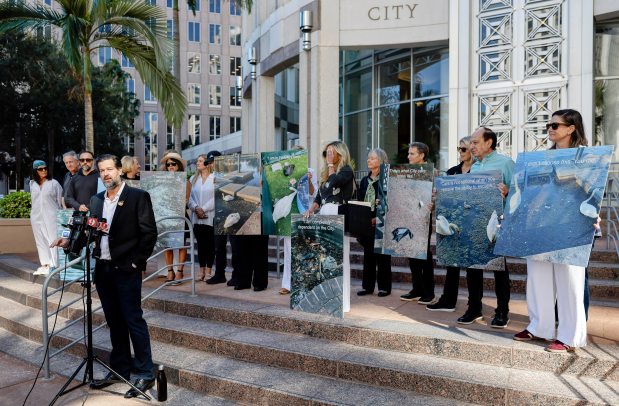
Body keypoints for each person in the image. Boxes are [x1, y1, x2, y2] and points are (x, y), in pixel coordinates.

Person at [51, 154, 158, 398]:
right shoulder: (96, 200)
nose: (106, 174)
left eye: (110, 169)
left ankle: (145, 373)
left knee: (133, 320)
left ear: (120, 170)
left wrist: (136, 262)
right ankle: (120, 367)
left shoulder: (137, 197)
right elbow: (89, 230)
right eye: (102, 171)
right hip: (103, 269)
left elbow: (149, 233)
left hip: (127, 269)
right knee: (114, 321)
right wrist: (68, 240)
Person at [513, 109, 591, 352]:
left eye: (555, 125)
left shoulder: (586, 157)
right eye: (549, 125)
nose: (550, 129)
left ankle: (570, 336)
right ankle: (540, 327)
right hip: (540, 224)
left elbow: (592, 191)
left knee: (570, 280)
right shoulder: (543, 158)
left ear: (571, 128)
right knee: (538, 276)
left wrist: (573, 178)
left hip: (571, 224)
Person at [459, 127, 514, 328]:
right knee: (473, 268)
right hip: (476, 223)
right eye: (471, 143)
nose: (471, 146)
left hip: (498, 225)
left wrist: (508, 192)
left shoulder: (506, 163)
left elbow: (519, 193)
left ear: (489, 143)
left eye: (475, 142)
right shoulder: (474, 167)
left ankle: (502, 312)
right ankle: (474, 309)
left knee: (499, 269)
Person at [304, 140, 355, 312]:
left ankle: (343, 302)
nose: (328, 156)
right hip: (324, 216)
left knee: (340, 259)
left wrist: (332, 167)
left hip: (339, 216)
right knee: (326, 258)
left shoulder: (346, 171)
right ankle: (328, 298)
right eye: (327, 153)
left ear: (340, 153)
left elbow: (336, 183)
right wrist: (312, 208)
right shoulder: (325, 173)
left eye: (332, 152)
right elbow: (320, 196)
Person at [427, 136, 473, 312]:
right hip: (453, 220)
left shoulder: (478, 170)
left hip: (470, 221)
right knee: (452, 263)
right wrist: (435, 200)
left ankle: (473, 304)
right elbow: (444, 196)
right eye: (459, 149)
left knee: (472, 266)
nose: (460, 152)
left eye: (464, 149)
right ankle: (448, 300)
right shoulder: (452, 171)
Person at [400, 142, 435, 304]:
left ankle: (429, 292)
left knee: (423, 254)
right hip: (408, 216)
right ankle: (417, 288)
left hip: (422, 217)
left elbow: (433, 196)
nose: (408, 157)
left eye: (412, 154)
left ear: (422, 155)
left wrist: (430, 204)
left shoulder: (431, 173)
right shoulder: (406, 172)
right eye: (408, 153)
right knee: (411, 253)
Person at [281, 146, 317, 295]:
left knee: (305, 248)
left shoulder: (311, 171)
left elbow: (313, 193)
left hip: (305, 213)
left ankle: (305, 283)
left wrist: (308, 180)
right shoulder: (286, 170)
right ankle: (287, 284)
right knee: (289, 250)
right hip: (290, 212)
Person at [356, 148, 392, 297]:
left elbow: (391, 200)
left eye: (372, 158)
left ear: (381, 161)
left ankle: (384, 287)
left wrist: (379, 214)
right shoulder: (365, 180)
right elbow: (360, 199)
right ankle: (367, 287)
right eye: (368, 158)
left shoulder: (386, 179)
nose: (368, 160)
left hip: (382, 221)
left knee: (382, 256)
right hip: (367, 221)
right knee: (368, 255)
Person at [189, 151, 228, 283]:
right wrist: (195, 208)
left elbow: (216, 198)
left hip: (210, 216)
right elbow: (189, 198)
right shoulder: (192, 180)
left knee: (211, 244)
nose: (198, 163)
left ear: (207, 164)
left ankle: (210, 270)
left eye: (200, 161)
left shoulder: (215, 179)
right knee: (201, 245)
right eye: (197, 161)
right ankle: (201, 270)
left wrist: (203, 209)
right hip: (196, 217)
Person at [160, 151, 191, 284]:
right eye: (168, 165)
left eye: (173, 164)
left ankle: (180, 271)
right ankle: (170, 271)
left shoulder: (185, 181)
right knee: (168, 246)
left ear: (179, 165)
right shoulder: (162, 180)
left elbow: (186, 200)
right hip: (166, 216)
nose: (171, 166)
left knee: (182, 246)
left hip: (179, 215)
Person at [30, 160, 63, 276]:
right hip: (36, 216)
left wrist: (60, 215)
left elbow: (60, 201)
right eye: (40, 169)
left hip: (51, 215)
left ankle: (55, 265)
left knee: (52, 239)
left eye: (45, 168)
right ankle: (45, 265)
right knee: (40, 240)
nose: (43, 170)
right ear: (35, 171)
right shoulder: (32, 184)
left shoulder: (54, 183)